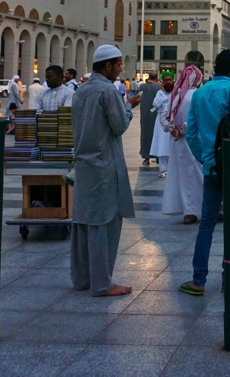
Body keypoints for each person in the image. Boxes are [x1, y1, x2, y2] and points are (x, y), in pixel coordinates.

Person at [179, 49, 230, 296]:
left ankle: (198, 280)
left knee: (207, 223)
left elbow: (191, 133)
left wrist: (206, 159)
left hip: (212, 169)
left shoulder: (200, 93)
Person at [70, 44, 142, 297]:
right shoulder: (107, 90)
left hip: (83, 164)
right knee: (104, 224)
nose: (121, 69)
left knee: (82, 222)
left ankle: (81, 279)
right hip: (104, 165)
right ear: (108, 65)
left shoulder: (81, 90)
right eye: (119, 64)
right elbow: (119, 125)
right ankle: (102, 283)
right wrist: (129, 106)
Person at [161, 64, 205, 223]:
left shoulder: (176, 94)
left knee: (181, 177)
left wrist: (173, 129)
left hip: (177, 143)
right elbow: (197, 120)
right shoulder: (198, 95)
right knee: (197, 176)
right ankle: (198, 210)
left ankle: (187, 211)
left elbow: (164, 117)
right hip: (194, 141)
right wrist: (182, 130)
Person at [136, 73, 160, 167]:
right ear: (157, 78)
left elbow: (137, 97)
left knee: (145, 135)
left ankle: (146, 158)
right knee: (157, 135)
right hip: (156, 114)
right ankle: (158, 156)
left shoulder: (142, 87)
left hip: (145, 114)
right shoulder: (159, 87)